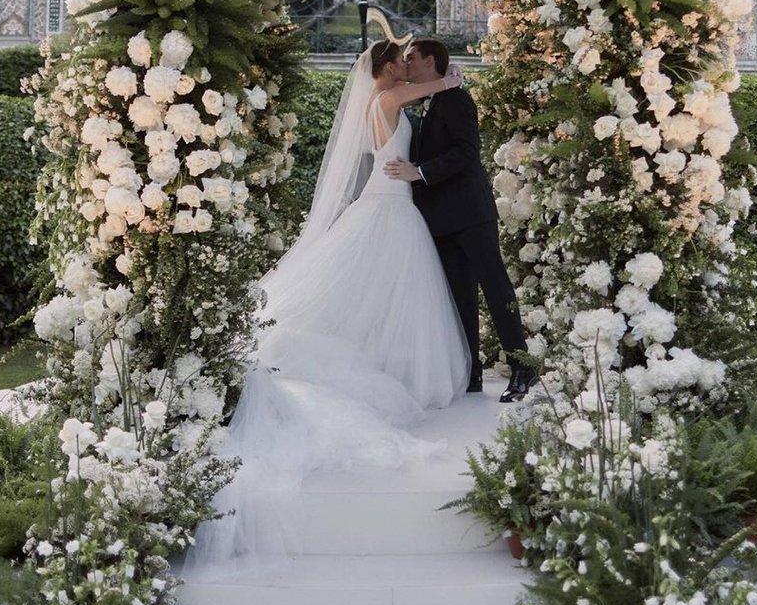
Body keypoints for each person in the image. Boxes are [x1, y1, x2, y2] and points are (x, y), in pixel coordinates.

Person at [189, 37, 472, 571]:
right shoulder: (386, 100)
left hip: (391, 205)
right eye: (400, 63)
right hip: (390, 208)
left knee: (381, 301)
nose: (407, 70)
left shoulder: (383, 100)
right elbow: (434, 85)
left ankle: (384, 360)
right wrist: (448, 78)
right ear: (386, 70)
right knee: (385, 296)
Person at [384, 39, 536, 404]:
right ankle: (470, 373)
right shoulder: (433, 96)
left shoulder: (457, 100)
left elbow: (467, 152)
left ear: (430, 60)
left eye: (411, 58)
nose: (406, 63)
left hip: (470, 213)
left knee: (496, 287)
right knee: (459, 296)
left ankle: (522, 366)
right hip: (439, 219)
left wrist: (420, 172)